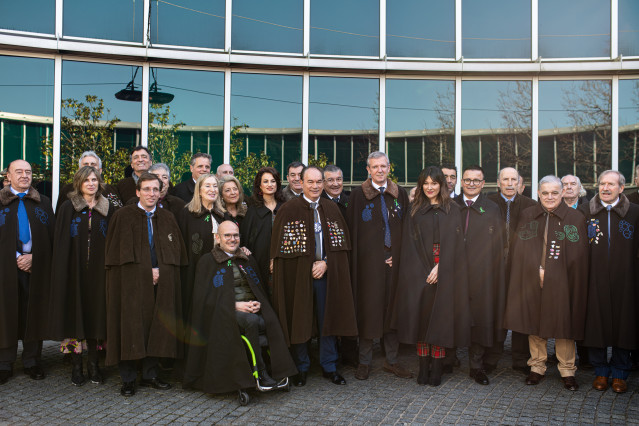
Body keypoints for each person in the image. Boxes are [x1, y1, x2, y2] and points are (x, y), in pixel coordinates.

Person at [183, 221, 298, 393]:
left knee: (272, 317)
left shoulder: (247, 258)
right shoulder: (207, 261)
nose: (232, 239)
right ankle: (260, 373)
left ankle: (281, 371)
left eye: (235, 235)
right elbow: (204, 300)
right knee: (251, 321)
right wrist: (235, 305)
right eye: (227, 235)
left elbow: (258, 288)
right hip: (225, 314)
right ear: (217, 238)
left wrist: (258, 302)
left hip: (251, 308)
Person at [271, 166, 357, 386]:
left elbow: (342, 245)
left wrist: (327, 264)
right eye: (311, 182)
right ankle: (301, 367)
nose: (315, 186)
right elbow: (280, 248)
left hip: (327, 276)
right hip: (298, 277)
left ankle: (329, 366)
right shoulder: (288, 209)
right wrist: (305, 266)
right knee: (300, 319)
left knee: (327, 320)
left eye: (319, 182)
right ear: (302, 182)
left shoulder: (332, 208)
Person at [105, 173, 186, 397]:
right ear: (138, 192)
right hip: (131, 285)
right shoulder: (123, 216)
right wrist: (144, 273)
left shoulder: (168, 217)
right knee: (131, 326)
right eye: (147, 189)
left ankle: (151, 374)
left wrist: (162, 271)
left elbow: (176, 253)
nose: (151, 194)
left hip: (162, 282)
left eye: (155, 189)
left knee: (156, 327)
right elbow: (116, 257)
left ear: (160, 192)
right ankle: (129, 378)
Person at [504, 175, 588, 391]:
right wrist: (536, 271)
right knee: (535, 322)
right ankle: (537, 366)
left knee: (563, 324)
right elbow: (521, 249)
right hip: (532, 278)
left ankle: (567, 369)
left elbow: (578, 256)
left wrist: (553, 273)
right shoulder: (528, 214)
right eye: (545, 193)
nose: (549, 197)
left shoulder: (574, 218)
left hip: (562, 281)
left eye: (554, 193)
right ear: (538, 194)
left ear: (562, 194)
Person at [391, 166, 471, 386]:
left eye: (434, 183)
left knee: (441, 323)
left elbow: (456, 245)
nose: (429, 187)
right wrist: (425, 270)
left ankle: (437, 368)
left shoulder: (453, 209)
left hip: (445, 272)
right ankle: (423, 367)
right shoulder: (415, 210)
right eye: (425, 183)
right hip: (420, 274)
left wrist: (441, 267)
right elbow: (409, 244)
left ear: (441, 185)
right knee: (422, 322)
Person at [346, 152, 412, 381]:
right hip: (368, 267)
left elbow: (406, 230)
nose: (380, 170)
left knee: (392, 310)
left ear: (389, 167)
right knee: (369, 311)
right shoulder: (357, 195)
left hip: (394, 264)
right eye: (375, 167)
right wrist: (373, 258)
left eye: (383, 166)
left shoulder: (400, 193)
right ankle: (364, 361)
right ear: (368, 170)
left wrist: (398, 255)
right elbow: (353, 234)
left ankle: (391, 361)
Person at [48, 166, 115, 386]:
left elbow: (113, 240)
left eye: (94, 180)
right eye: (86, 180)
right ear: (79, 183)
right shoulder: (69, 207)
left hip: (99, 273)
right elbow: (60, 242)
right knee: (75, 315)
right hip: (74, 271)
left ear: (100, 182)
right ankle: (77, 366)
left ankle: (94, 365)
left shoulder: (107, 208)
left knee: (96, 316)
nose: (91, 184)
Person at [578, 170, 639, 394]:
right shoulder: (585, 211)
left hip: (626, 279)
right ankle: (601, 371)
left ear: (621, 188)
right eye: (602, 183)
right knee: (596, 324)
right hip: (594, 278)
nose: (605, 188)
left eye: (611, 184)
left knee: (625, 325)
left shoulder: (634, 213)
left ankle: (620, 373)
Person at [0, 160, 55, 384]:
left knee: (34, 313)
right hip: (5, 269)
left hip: (36, 268)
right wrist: (15, 258)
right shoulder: (0, 202)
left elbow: (51, 237)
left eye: (28, 172)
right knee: (6, 315)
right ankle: (4, 363)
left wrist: (34, 257)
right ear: (9, 176)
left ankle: (32, 361)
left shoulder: (43, 202)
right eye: (19, 172)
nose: (24, 175)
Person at [454, 165, 506, 385]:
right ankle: (448, 360)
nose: (472, 183)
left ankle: (476, 366)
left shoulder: (492, 208)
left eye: (477, 180)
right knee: (451, 315)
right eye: (468, 179)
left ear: (484, 183)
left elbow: (499, 244)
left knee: (480, 318)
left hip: (482, 274)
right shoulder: (450, 205)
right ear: (461, 182)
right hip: (453, 273)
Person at [487, 167, 536, 374]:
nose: (509, 183)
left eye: (513, 180)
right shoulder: (487, 203)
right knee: (496, 313)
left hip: (521, 268)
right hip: (493, 266)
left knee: (520, 312)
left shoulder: (531, 206)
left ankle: (520, 359)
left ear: (519, 183)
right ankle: (491, 358)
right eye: (505, 179)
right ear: (498, 182)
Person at [178, 174, 225, 344]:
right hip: (194, 272)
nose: (212, 190)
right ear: (199, 191)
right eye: (207, 186)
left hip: (218, 272)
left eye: (215, 186)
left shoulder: (222, 215)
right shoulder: (187, 214)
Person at [240, 167, 285, 288]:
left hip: (284, 265)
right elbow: (246, 241)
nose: (270, 185)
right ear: (259, 185)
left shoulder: (286, 208)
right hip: (259, 266)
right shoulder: (253, 211)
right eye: (265, 181)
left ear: (278, 184)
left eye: (273, 181)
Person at [56, 151, 122, 212]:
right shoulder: (68, 190)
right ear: (79, 170)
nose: (90, 167)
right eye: (86, 165)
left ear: (100, 170)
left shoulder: (111, 189)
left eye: (93, 164)